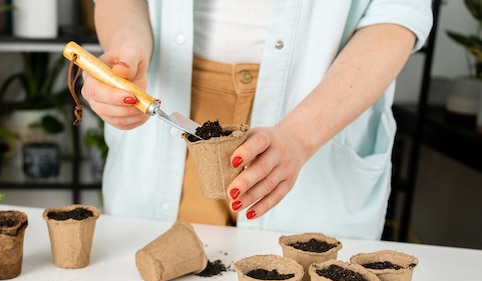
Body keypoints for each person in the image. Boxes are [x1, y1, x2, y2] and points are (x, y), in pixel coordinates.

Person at [78, 0, 433, 240]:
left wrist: (301, 136)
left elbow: (397, 16)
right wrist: (128, 50)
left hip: (321, 106)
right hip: (173, 99)